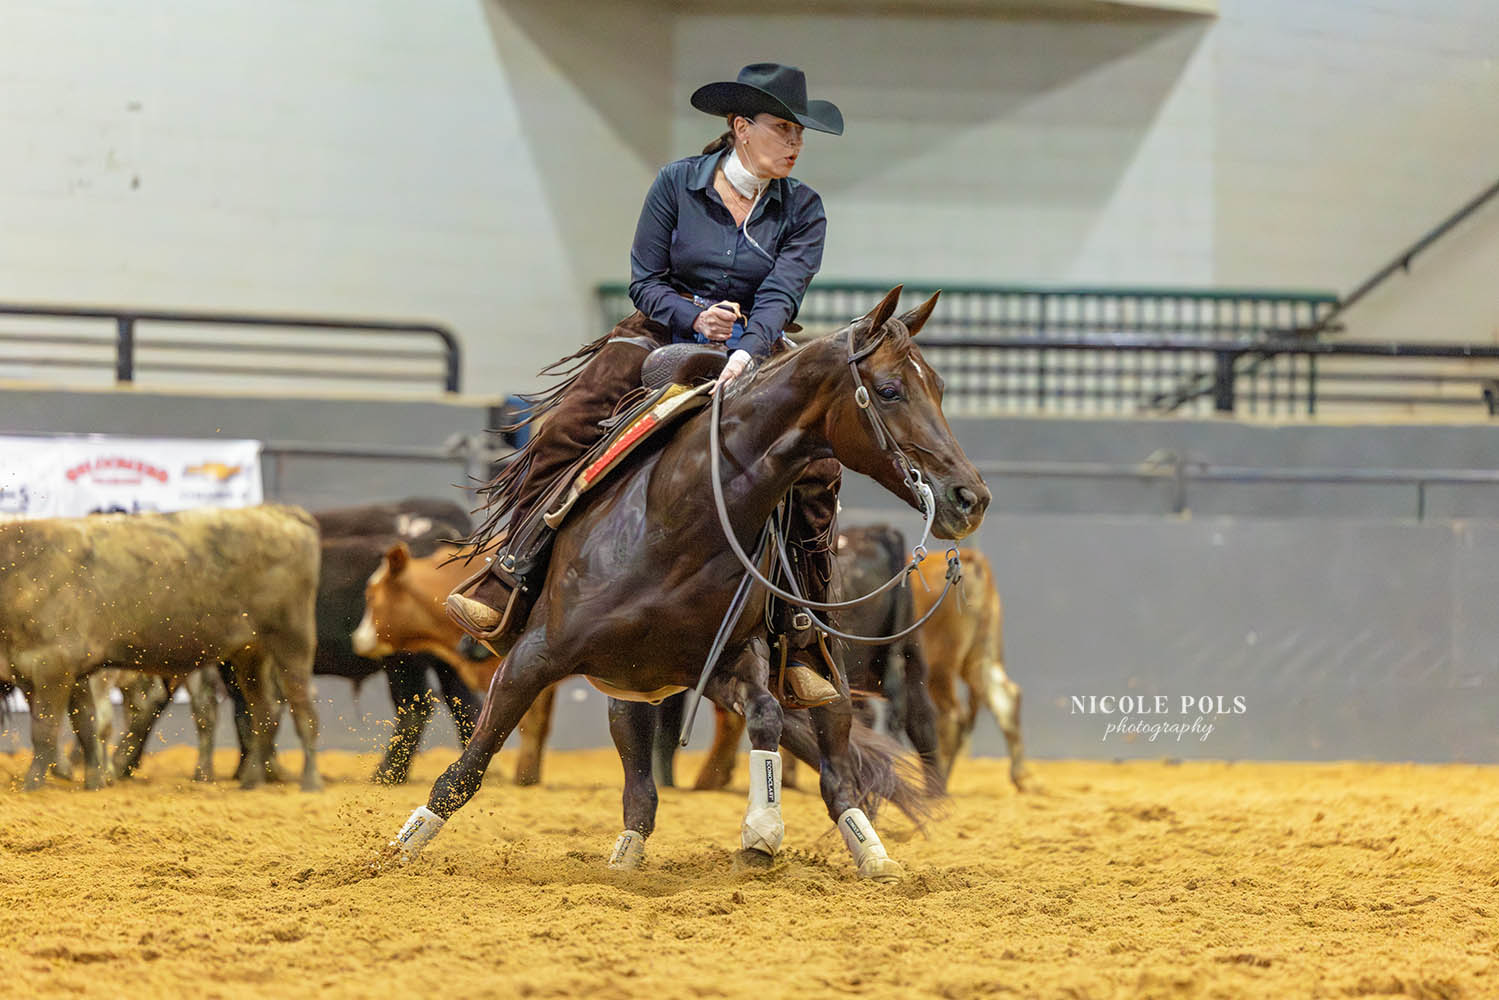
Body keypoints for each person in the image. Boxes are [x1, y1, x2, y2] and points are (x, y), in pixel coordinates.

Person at [449, 63, 845, 706]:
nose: (796, 142)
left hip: (758, 342)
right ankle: (510, 573)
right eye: (783, 127)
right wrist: (694, 318)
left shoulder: (803, 209)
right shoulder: (676, 184)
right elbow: (645, 279)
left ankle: (801, 633)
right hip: (662, 330)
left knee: (819, 466)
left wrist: (747, 349)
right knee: (568, 425)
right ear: (741, 127)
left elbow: (782, 291)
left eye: (800, 132)